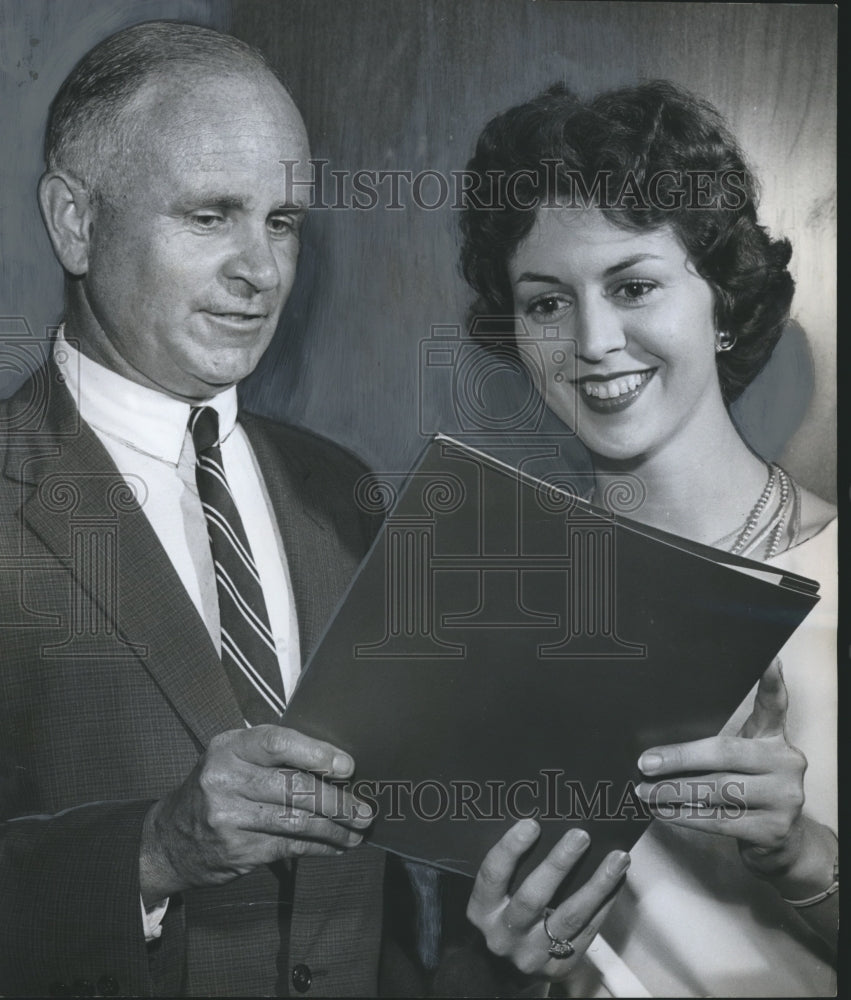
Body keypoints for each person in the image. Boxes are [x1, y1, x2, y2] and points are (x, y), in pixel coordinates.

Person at [0, 21, 631, 998]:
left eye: (282, 222)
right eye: (211, 216)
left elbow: (406, 891)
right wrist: (152, 851)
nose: (261, 272)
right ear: (75, 221)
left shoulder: (342, 489)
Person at [458, 81, 837, 996]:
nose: (592, 340)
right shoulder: (495, 603)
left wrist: (800, 856)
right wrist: (513, 964)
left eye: (632, 286)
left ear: (723, 305)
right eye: (546, 303)